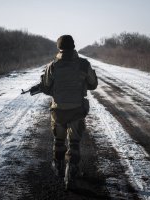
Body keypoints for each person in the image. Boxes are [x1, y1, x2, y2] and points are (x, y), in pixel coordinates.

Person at [39, 35, 98, 190]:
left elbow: (45, 86)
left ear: (59, 48)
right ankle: (71, 172)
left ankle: (58, 166)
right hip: (77, 111)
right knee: (74, 142)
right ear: (73, 47)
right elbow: (93, 84)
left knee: (59, 140)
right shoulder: (84, 64)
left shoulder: (52, 65)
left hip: (58, 111)